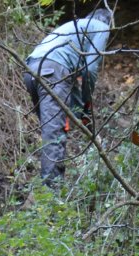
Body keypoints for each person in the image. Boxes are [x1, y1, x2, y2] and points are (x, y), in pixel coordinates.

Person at [24, 7, 113, 184]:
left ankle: (49, 185)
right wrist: (88, 103)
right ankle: (51, 195)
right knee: (55, 134)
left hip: (31, 70)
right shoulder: (102, 27)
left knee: (52, 130)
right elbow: (90, 70)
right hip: (53, 71)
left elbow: (72, 89)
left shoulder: (74, 29)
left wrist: (83, 115)